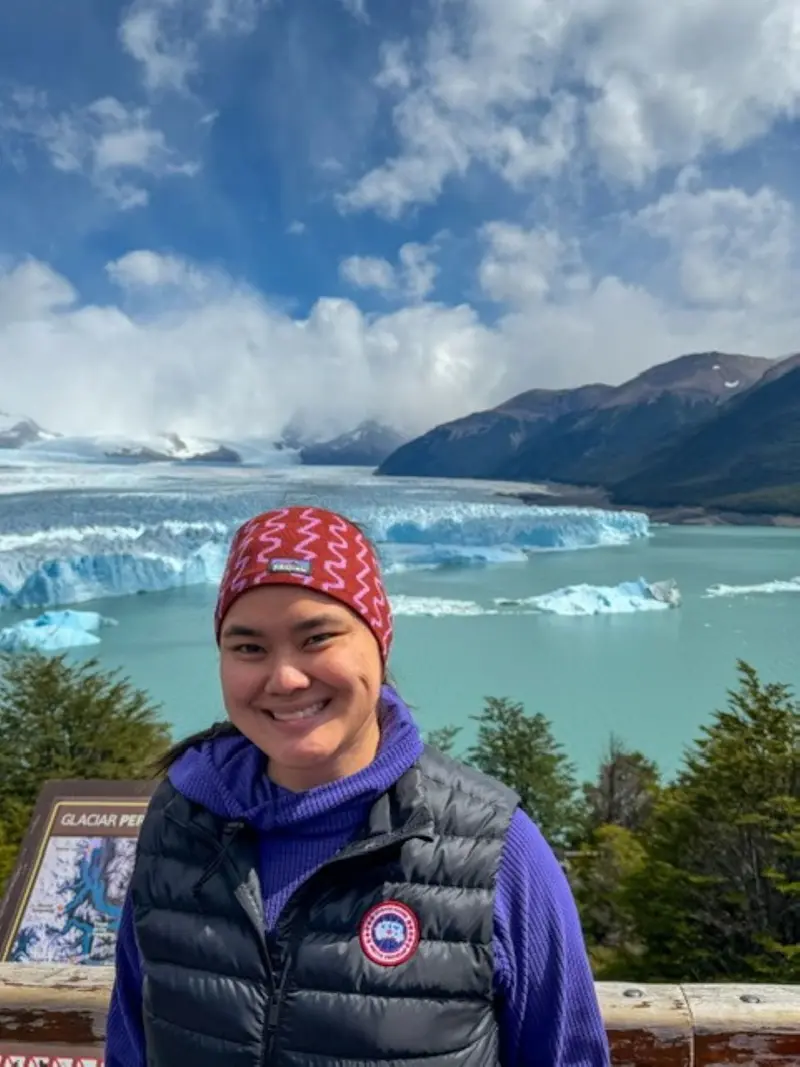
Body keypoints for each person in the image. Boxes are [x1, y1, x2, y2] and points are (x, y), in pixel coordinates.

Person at [106, 505, 611, 1067]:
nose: (286, 678)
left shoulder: (492, 849)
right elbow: (131, 1042)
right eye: (248, 647)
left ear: (379, 640)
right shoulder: (180, 822)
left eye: (318, 637)